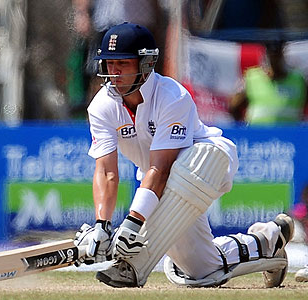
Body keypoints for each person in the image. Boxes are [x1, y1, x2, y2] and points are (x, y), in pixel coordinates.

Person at [74, 22, 294, 289]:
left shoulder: (172, 96)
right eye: (109, 63)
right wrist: (102, 225)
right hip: (159, 184)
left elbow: (163, 167)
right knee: (203, 270)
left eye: (123, 63)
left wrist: (133, 223)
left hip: (207, 161)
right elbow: (107, 171)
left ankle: (131, 267)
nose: (114, 72)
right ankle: (268, 240)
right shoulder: (101, 106)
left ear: (145, 63)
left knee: (181, 175)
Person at [230, 40, 308, 124]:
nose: (274, 58)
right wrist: (242, 129)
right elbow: (234, 106)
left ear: (283, 54)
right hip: (259, 134)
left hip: (290, 134)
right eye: (271, 54)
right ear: (266, 55)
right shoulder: (252, 78)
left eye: (277, 54)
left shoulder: (298, 79)